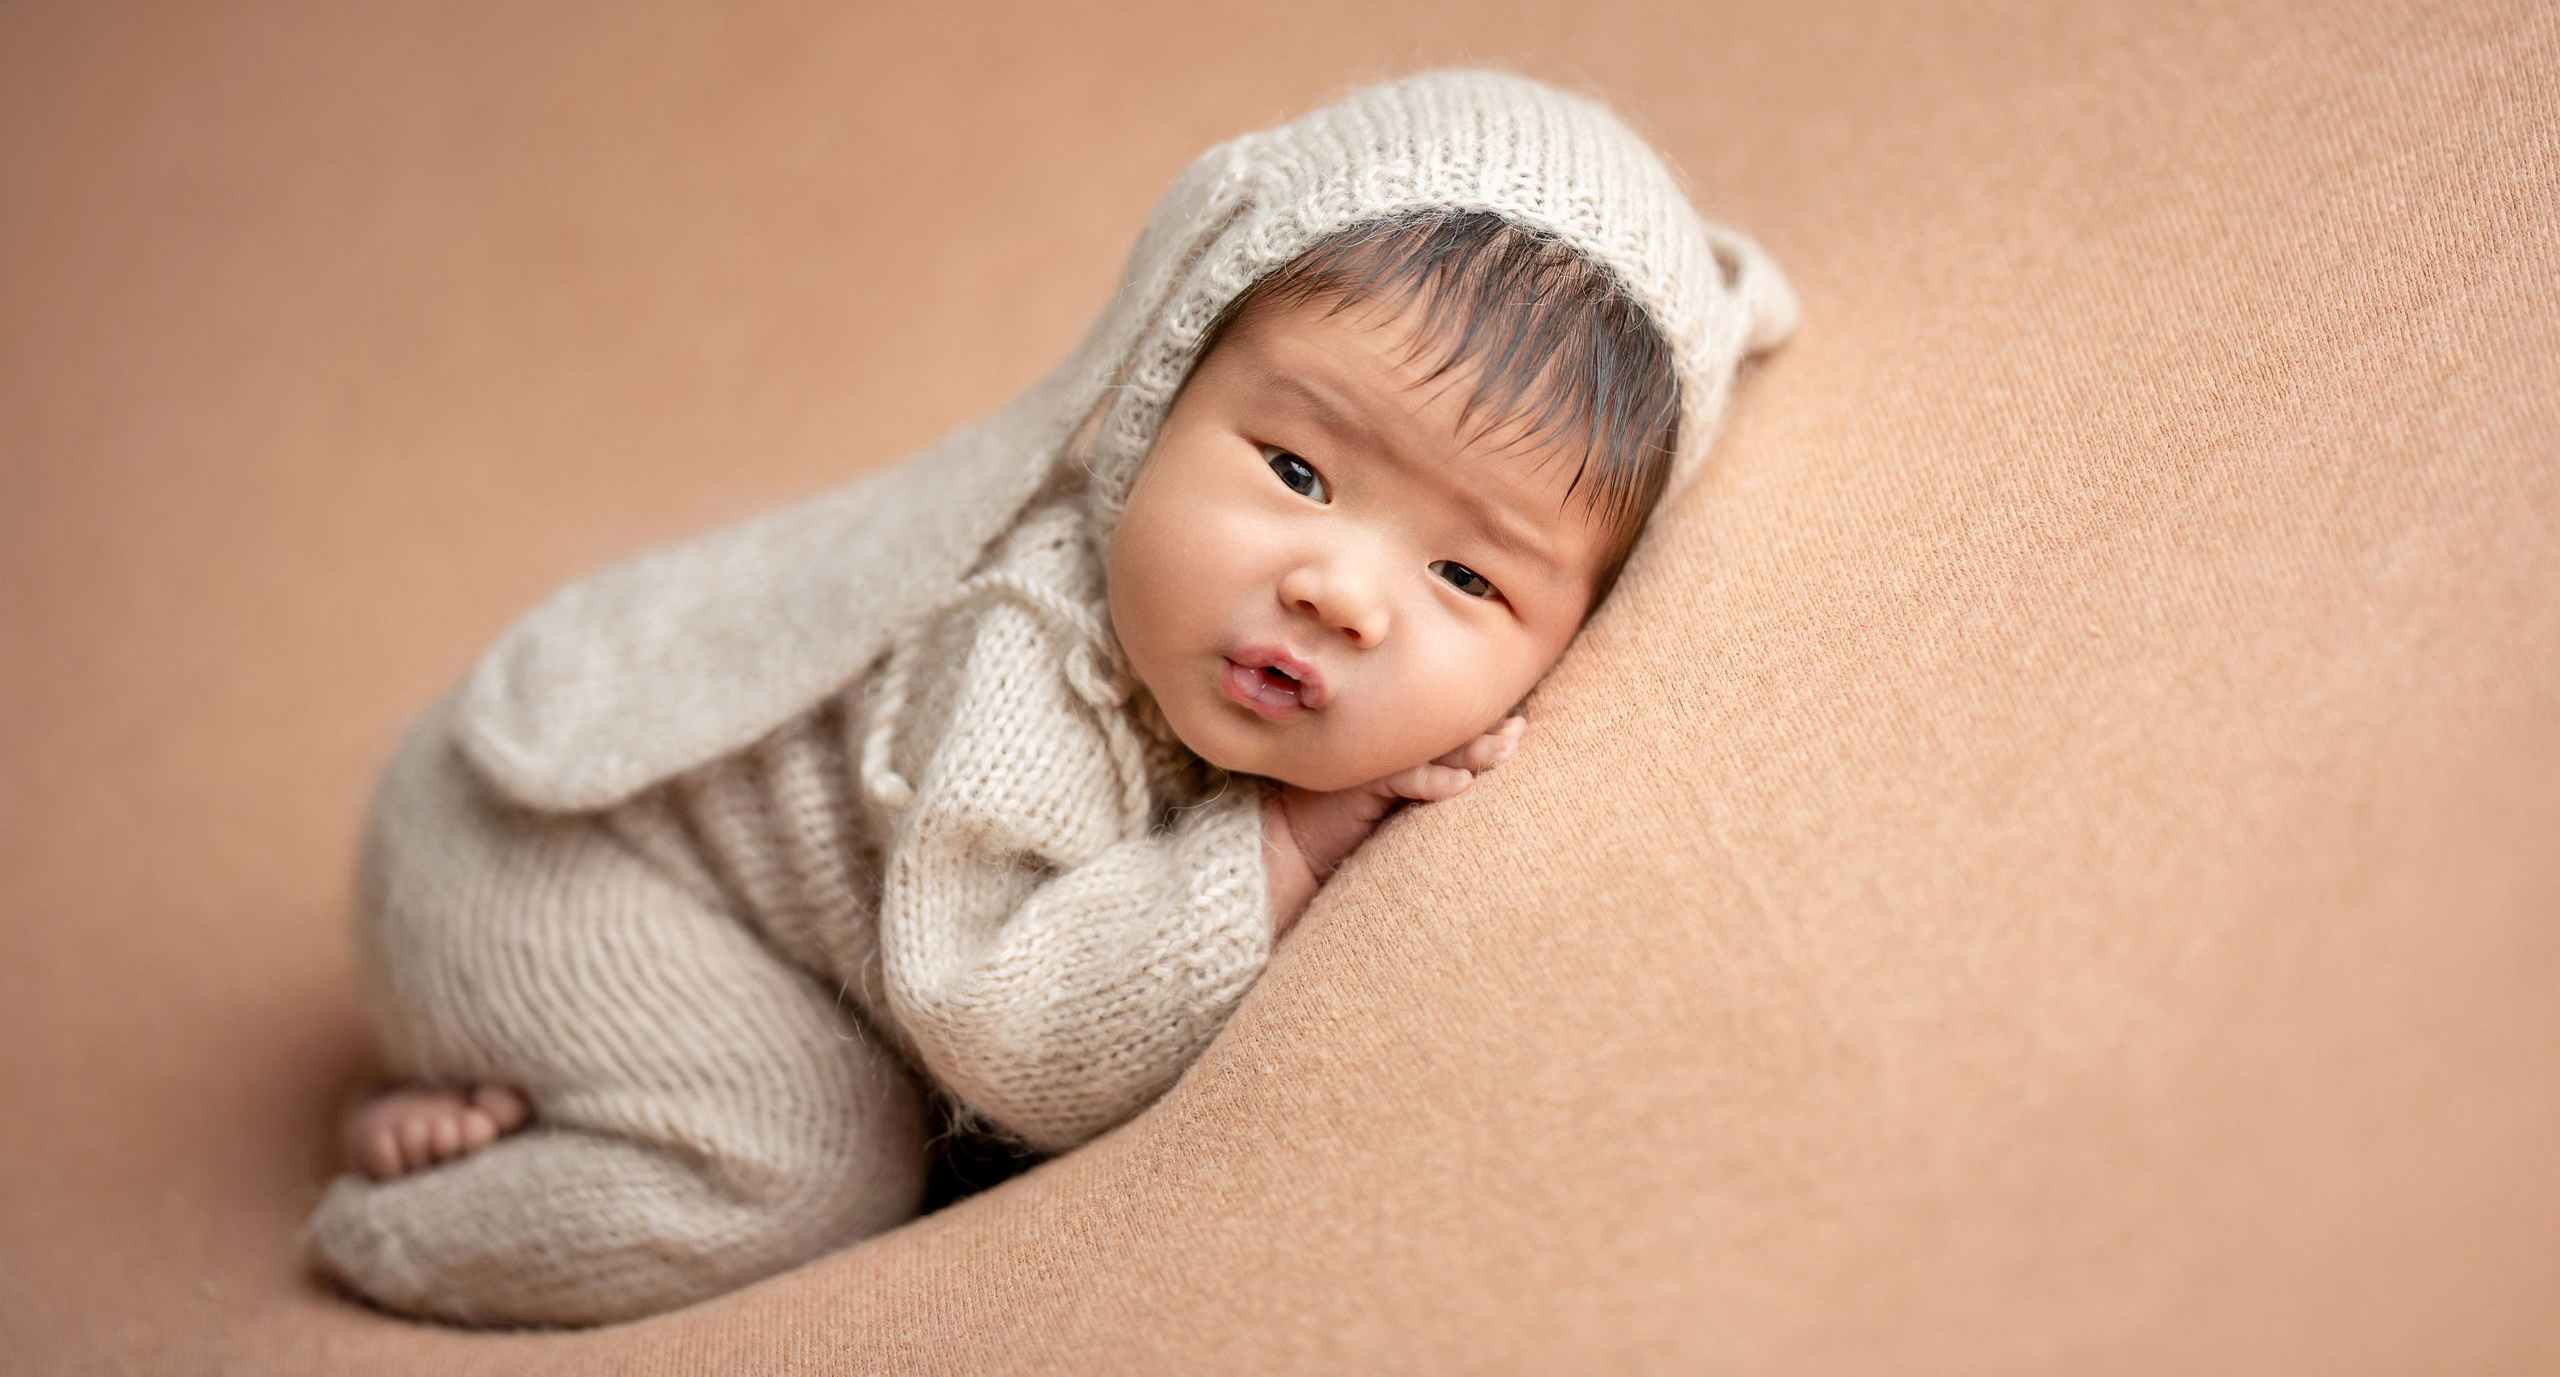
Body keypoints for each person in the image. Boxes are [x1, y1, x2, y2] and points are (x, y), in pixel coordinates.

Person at [303, 69, 1797, 1325]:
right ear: (1158, 397)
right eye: (1295, 471)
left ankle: (553, 1086)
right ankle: (412, 1216)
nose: (1340, 592)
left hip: (717, 927)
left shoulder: (1271, 624)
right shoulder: (1032, 654)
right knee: (815, 1166)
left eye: (1465, 576)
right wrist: (1278, 850)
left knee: (864, 1117)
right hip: (546, 858)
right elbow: (1003, 1026)